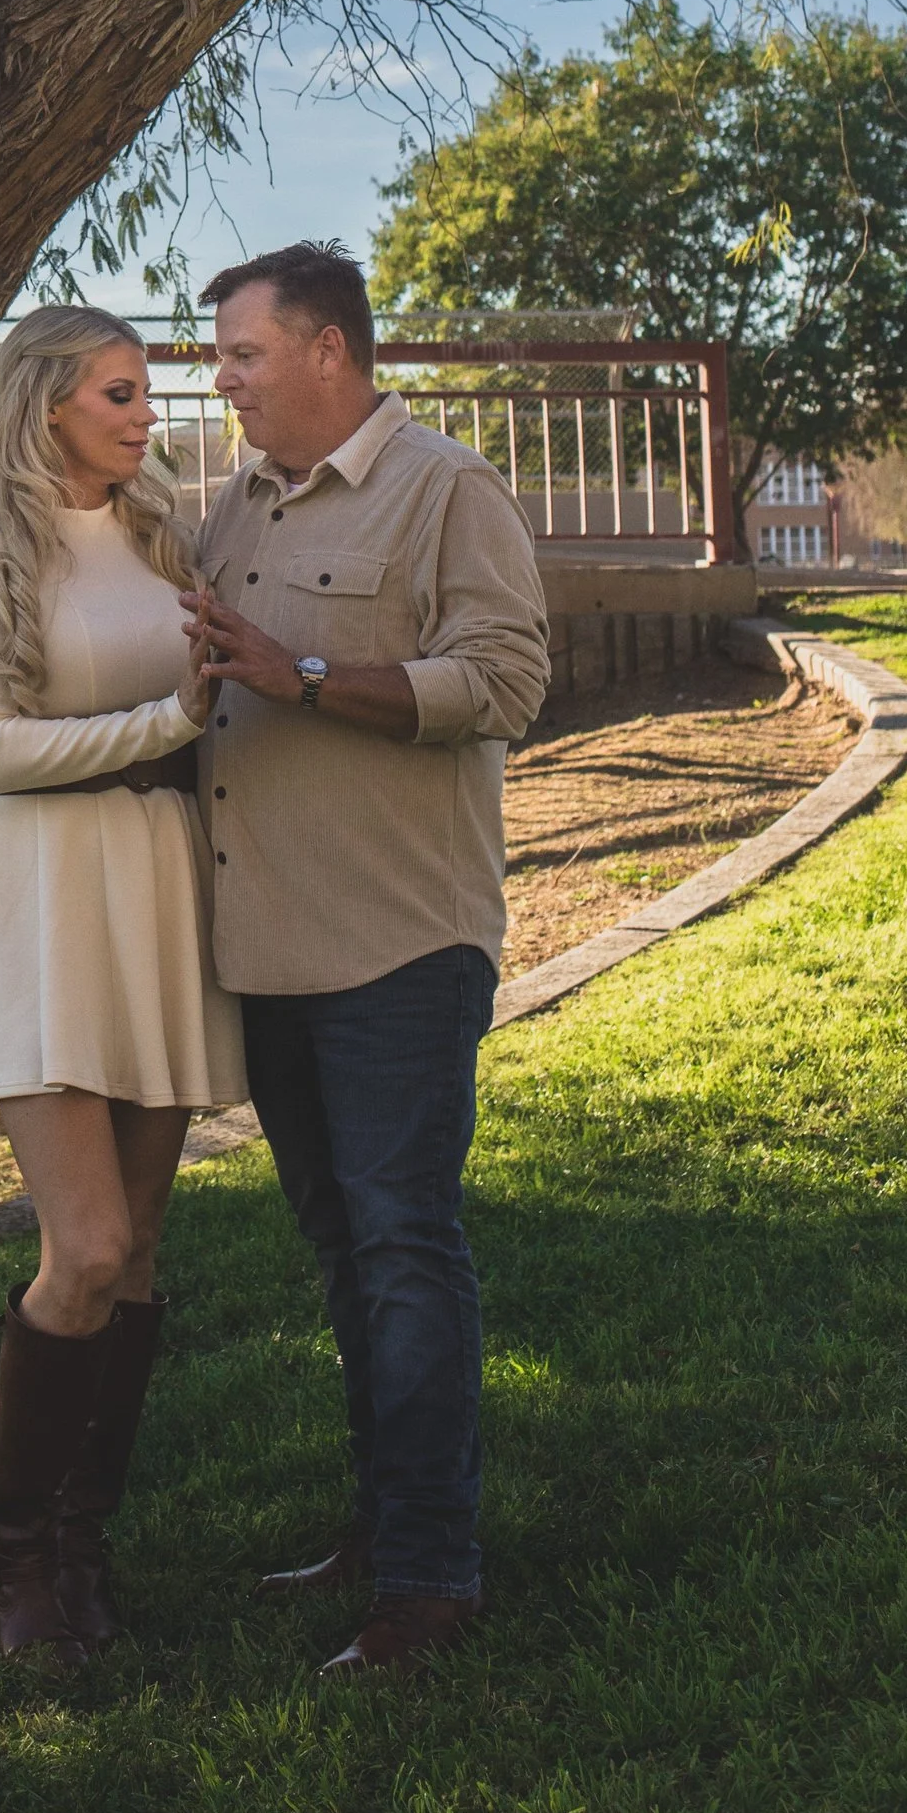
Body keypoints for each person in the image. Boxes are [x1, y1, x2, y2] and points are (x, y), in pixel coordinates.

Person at [186, 241, 551, 1676]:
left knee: (405, 1251)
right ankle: (386, 1526)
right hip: (270, 948)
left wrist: (308, 676)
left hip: (398, 947)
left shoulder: (446, 489)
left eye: (243, 353)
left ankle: (428, 1577)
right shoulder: (237, 503)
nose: (222, 380)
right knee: (347, 1254)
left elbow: (506, 680)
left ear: (328, 348)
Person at [0, 305, 247, 1664]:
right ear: (45, 402)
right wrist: (169, 718)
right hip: (40, 894)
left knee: (141, 1246)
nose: (146, 414)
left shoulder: (163, 534)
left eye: (145, 391)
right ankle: (15, 1564)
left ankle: (83, 1548)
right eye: (118, 392)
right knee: (87, 1245)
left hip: (157, 884)